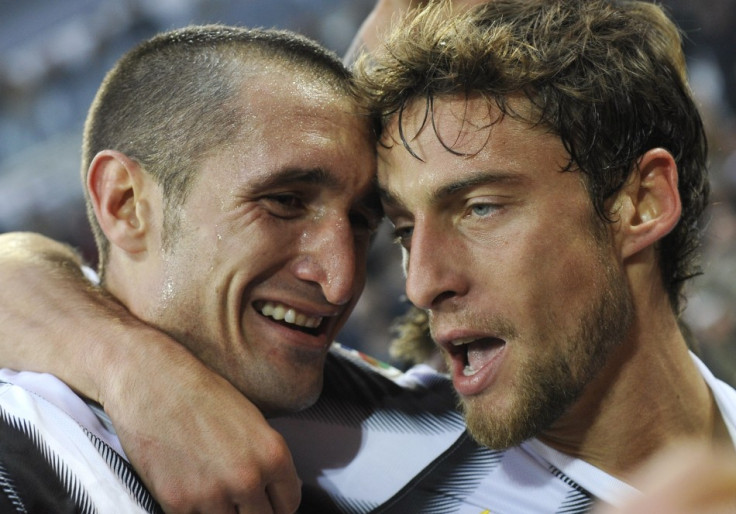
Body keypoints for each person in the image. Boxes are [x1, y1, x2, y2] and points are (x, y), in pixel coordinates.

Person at [2, 0, 736, 513]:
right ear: (123, 203)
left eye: (479, 208)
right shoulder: (337, 438)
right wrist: (133, 370)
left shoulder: (364, 425)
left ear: (640, 203)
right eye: (405, 229)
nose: (411, 282)